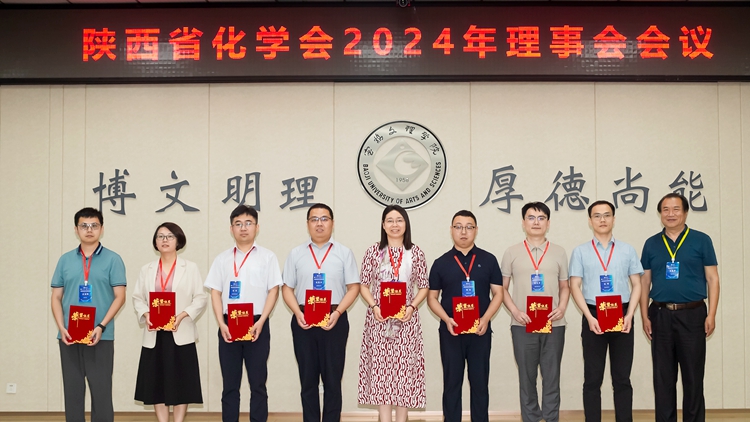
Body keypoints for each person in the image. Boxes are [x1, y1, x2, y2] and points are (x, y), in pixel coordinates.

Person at [639, 193, 720, 422]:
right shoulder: (651, 243)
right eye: (665, 209)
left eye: (676, 209)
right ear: (660, 214)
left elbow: (713, 279)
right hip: (660, 314)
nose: (670, 214)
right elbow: (645, 282)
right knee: (663, 378)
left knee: (693, 376)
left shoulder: (701, 240)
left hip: (693, 315)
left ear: (685, 212)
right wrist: (644, 315)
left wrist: (711, 314)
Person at [282, 203, 361, 422]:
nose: (319, 224)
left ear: (332, 223)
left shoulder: (344, 253)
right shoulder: (296, 253)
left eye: (324, 219)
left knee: (332, 379)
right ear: (307, 224)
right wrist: (297, 312)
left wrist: (338, 312)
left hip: (334, 318)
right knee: (307, 379)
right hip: (304, 319)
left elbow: (353, 287)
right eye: (314, 219)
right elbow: (286, 288)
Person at [204, 205, 283, 422]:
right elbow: (215, 292)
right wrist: (221, 324)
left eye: (248, 223)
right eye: (238, 224)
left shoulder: (267, 257)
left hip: (257, 323)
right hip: (228, 324)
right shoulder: (222, 259)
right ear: (231, 229)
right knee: (230, 384)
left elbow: (273, 290)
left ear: (257, 227)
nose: (243, 228)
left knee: (258, 383)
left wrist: (262, 321)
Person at [568, 200, 643, 422]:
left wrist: (630, 315)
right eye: (597, 215)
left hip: (622, 315)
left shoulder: (627, 250)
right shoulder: (580, 251)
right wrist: (589, 316)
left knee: (622, 378)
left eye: (607, 215)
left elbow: (637, 284)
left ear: (614, 219)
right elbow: (574, 285)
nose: (602, 219)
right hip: (593, 315)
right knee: (592, 379)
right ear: (590, 220)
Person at [50, 207, 127, 422]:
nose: (89, 230)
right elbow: (56, 297)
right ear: (76, 230)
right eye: (84, 225)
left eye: (94, 225)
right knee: (72, 391)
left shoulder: (113, 259)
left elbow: (120, 297)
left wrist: (101, 326)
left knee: (101, 391)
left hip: (100, 335)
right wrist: (61, 327)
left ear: (102, 229)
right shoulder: (65, 260)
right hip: (69, 336)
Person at [427, 210, 503, 422]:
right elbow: (432, 298)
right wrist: (446, 319)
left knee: (480, 383)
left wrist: (486, 319)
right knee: (452, 383)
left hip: (480, 330)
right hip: (451, 331)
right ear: (451, 230)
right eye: (458, 227)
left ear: (476, 230)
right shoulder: (441, 262)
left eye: (469, 227)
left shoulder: (488, 260)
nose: (463, 232)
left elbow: (498, 294)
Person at [358, 205, 429, 422]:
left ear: (406, 224)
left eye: (399, 220)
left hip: (406, 321)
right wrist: (374, 306)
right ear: (383, 225)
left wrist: (412, 307)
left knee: (404, 374)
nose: (395, 225)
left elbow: (424, 286)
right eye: (390, 220)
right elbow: (363, 285)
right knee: (381, 373)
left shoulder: (415, 252)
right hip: (379, 320)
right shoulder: (373, 251)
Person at [500, 201, 569, 422]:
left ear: (548, 223)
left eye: (541, 218)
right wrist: (515, 311)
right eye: (531, 217)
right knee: (527, 378)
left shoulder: (559, 252)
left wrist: (561, 308)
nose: (536, 222)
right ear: (523, 223)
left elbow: (565, 286)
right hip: (523, 324)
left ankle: (551, 418)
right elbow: (501, 289)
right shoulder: (511, 252)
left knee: (552, 377)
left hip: (553, 324)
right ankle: (530, 418)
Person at [133, 222, 208, 422]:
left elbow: (200, 298)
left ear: (178, 241)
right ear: (155, 242)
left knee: (182, 382)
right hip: (155, 333)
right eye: (160, 236)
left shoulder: (190, 268)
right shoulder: (147, 269)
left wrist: (182, 315)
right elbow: (137, 298)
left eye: (169, 236)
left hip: (180, 331)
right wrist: (146, 314)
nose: (164, 240)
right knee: (156, 382)